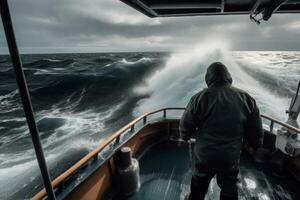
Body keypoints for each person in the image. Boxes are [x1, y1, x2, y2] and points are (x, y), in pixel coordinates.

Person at [180, 62, 263, 200]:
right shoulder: (246, 98)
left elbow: (185, 126)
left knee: (198, 190)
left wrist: (185, 136)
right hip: (230, 158)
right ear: (228, 77)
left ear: (209, 78)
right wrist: (255, 145)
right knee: (229, 191)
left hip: (204, 157)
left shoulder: (199, 98)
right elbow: (256, 130)